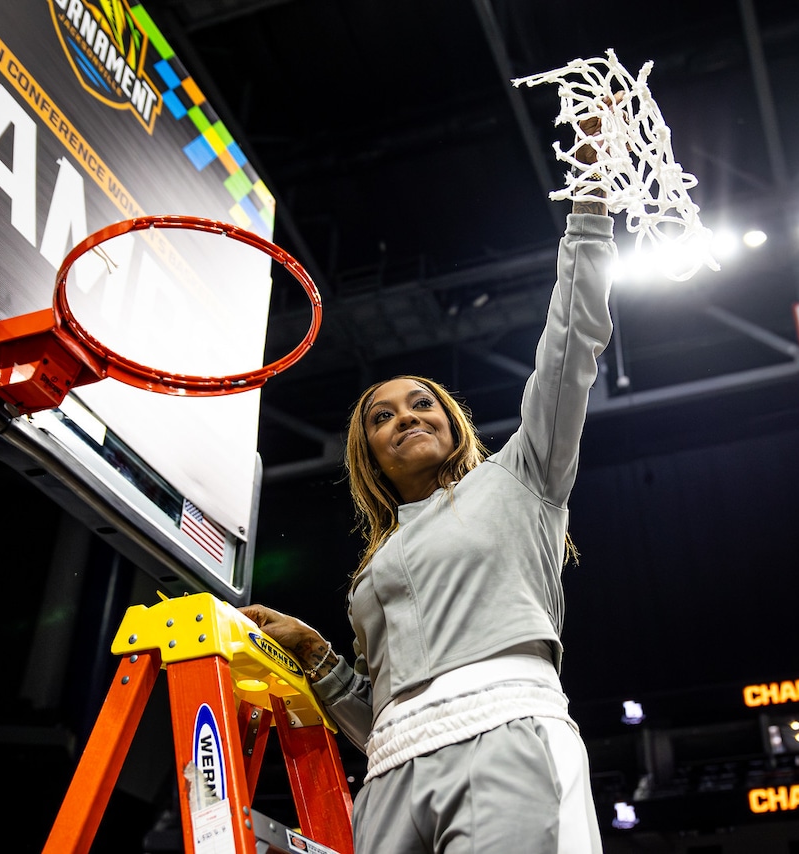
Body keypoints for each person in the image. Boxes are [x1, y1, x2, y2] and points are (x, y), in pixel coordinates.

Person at [241, 118, 615, 854]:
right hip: (389, 770)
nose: (406, 416)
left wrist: (591, 207)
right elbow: (377, 712)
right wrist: (318, 654)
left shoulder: (522, 477)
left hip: (507, 732)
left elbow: (571, 347)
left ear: (453, 422)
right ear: (369, 454)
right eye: (382, 416)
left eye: (423, 403)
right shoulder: (372, 569)